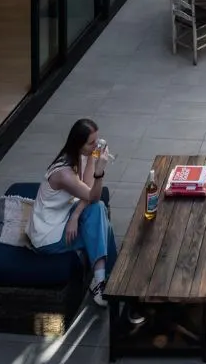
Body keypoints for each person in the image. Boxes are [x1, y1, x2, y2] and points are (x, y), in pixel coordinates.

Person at [28, 117, 143, 324]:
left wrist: (75, 215)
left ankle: (107, 281)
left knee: (97, 212)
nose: (95, 145)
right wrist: (100, 171)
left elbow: (88, 193)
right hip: (48, 234)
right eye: (91, 143)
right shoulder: (63, 173)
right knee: (99, 222)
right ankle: (112, 281)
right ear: (78, 143)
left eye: (96, 141)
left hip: (63, 217)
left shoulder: (79, 155)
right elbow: (93, 194)